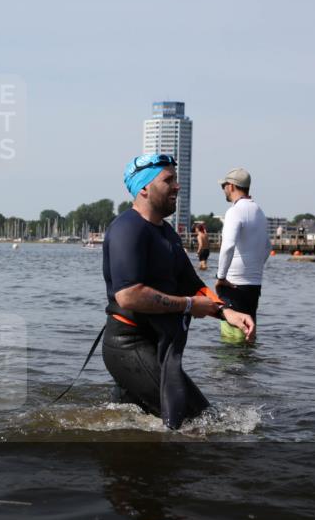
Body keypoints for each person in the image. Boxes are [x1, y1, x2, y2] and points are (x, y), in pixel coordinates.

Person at [101, 154, 255, 429]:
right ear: (144, 187)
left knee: (127, 426)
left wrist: (226, 312)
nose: (177, 186)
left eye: (176, 179)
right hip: (129, 344)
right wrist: (187, 306)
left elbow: (191, 283)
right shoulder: (128, 229)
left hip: (155, 344)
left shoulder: (166, 233)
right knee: (202, 423)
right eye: (168, 179)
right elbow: (129, 295)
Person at [216, 168, 270, 341]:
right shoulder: (259, 212)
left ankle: (233, 368)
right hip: (254, 284)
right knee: (248, 333)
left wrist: (221, 277)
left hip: (233, 283)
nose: (223, 189)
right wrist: (254, 267)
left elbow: (228, 246)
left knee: (232, 339)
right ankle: (248, 367)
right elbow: (268, 247)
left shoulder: (234, 211)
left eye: (224, 186)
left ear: (231, 186)